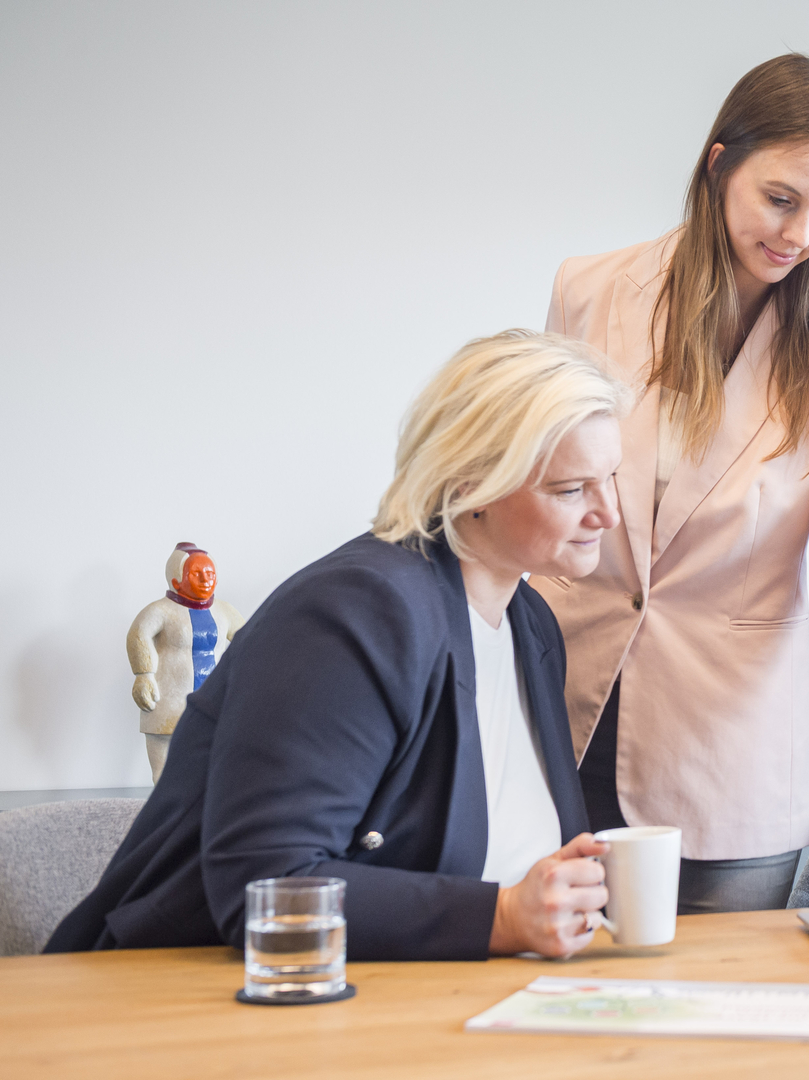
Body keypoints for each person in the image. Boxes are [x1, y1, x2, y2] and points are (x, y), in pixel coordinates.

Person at [48, 330, 632, 959]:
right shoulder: (356, 613)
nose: (610, 513)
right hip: (203, 1006)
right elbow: (264, 886)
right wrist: (506, 917)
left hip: (454, 1004)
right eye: (572, 489)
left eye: (612, 478)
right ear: (470, 486)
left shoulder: (531, 624)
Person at [540, 54, 809, 913]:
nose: (799, 235)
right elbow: (538, 488)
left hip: (724, 761)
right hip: (565, 710)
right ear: (718, 167)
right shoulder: (588, 292)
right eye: (779, 199)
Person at [127, 542, 246, 782]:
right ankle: (163, 810)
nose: (205, 579)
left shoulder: (224, 611)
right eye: (196, 573)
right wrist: (144, 675)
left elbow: (248, 638)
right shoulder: (160, 610)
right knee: (163, 769)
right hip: (168, 698)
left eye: (210, 573)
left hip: (213, 699)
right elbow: (138, 635)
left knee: (212, 760)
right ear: (176, 580)